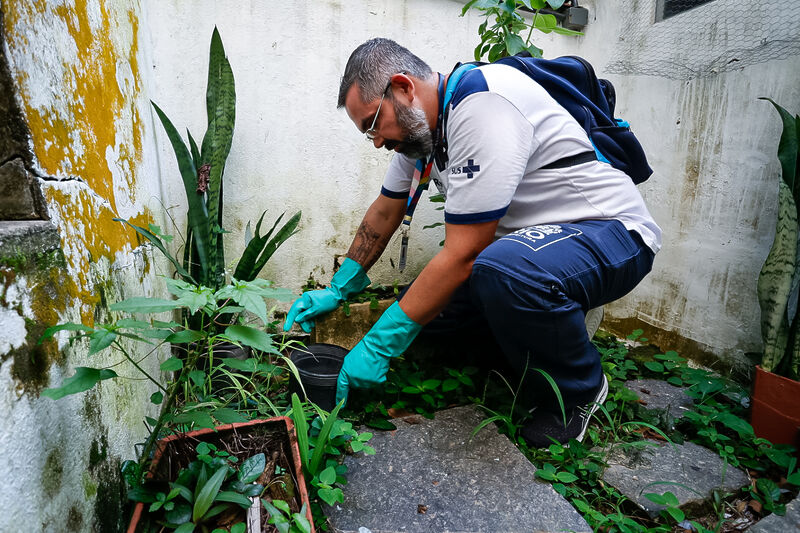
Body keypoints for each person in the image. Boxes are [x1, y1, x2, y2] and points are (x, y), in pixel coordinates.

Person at [283, 38, 661, 447]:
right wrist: (340, 287)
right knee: (431, 313)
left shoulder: (483, 104)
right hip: (530, 249)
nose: (375, 141)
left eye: (374, 124)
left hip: (609, 231)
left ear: (403, 87)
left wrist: (379, 344)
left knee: (500, 273)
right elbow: (386, 210)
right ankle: (521, 359)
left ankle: (578, 389)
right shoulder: (424, 132)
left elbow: (465, 253)